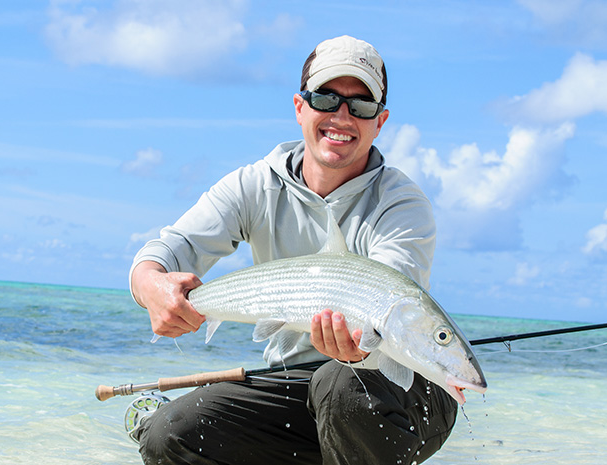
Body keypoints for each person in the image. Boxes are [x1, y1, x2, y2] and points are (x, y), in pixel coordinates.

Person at [129, 35, 458, 465]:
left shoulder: (401, 203)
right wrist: (151, 285)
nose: (342, 116)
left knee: (342, 386)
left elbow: (390, 307)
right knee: (169, 434)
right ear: (300, 107)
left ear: (380, 121)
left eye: (360, 106)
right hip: (292, 384)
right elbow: (170, 250)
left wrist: (363, 345)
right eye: (326, 98)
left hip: (397, 385)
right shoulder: (253, 184)